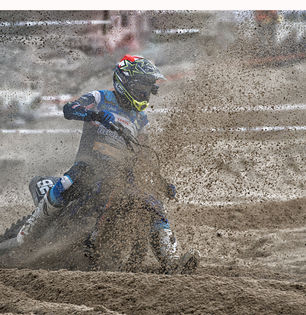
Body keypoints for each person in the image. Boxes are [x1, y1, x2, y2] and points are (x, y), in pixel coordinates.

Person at [16, 54, 200, 274]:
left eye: (147, 89)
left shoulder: (140, 119)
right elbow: (69, 109)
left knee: (151, 201)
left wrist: (159, 180)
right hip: (90, 168)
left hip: (120, 174)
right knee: (70, 180)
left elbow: (145, 154)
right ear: (125, 83)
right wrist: (97, 115)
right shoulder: (101, 97)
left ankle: (172, 261)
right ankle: (25, 236)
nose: (144, 94)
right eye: (141, 87)